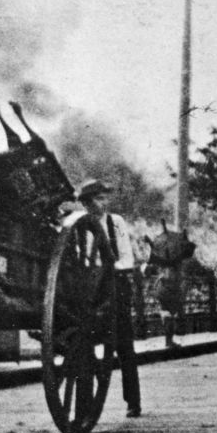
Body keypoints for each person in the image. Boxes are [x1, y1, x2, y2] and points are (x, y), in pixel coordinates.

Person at [77, 179, 141, 418]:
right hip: (88, 287)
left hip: (115, 284)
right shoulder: (77, 226)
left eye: (105, 198)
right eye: (98, 198)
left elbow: (127, 257)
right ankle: (84, 404)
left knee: (124, 344)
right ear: (86, 203)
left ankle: (133, 400)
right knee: (83, 344)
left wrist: (109, 269)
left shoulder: (116, 223)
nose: (103, 203)